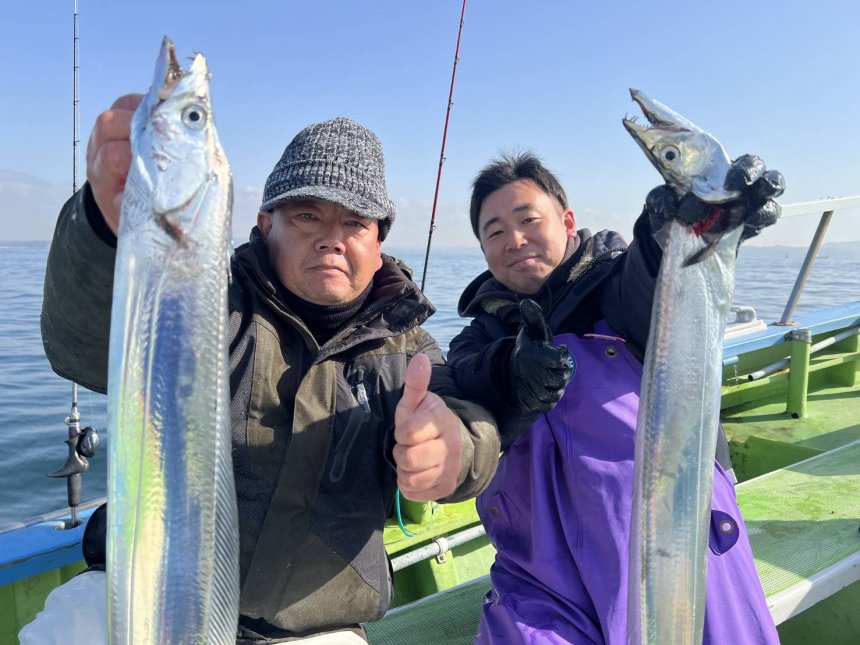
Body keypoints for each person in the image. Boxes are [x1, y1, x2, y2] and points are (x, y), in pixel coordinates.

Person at [34, 95, 500, 643]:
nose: (331, 238)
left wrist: (456, 448)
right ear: (265, 222)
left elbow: (464, 421)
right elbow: (82, 348)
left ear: (378, 241)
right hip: (140, 588)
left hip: (313, 625)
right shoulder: (204, 301)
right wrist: (102, 229)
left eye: (355, 222)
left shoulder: (409, 349)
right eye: (307, 215)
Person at [446, 152, 784, 644]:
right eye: (494, 232)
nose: (514, 240)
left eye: (528, 220)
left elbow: (653, 286)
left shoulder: (615, 287)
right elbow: (467, 380)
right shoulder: (477, 339)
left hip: (673, 540)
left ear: (567, 222)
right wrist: (512, 373)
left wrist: (671, 234)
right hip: (540, 574)